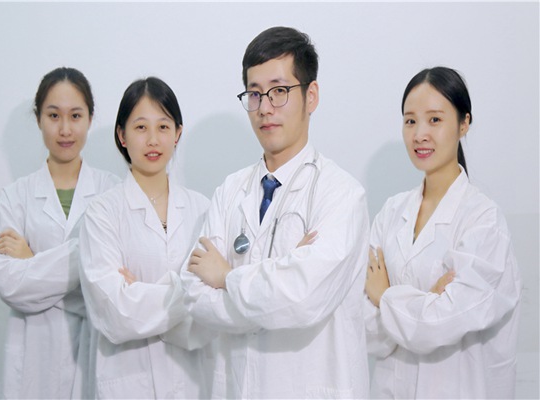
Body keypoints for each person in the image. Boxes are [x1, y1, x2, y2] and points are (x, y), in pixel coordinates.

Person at [182, 26, 370, 399]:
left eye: (279, 91)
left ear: (311, 96)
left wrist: (227, 277)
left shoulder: (342, 195)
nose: (264, 107)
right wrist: (280, 280)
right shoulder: (229, 191)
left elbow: (303, 300)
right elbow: (193, 294)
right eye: (254, 94)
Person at [364, 66, 522, 398]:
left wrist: (385, 296)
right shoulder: (391, 213)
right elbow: (362, 325)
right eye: (410, 121)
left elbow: (441, 325)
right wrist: (424, 302)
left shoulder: (483, 221)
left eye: (435, 119)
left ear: (464, 124)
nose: (420, 134)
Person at [78, 77, 213, 399]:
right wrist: (189, 292)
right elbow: (115, 315)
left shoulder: (203, 209)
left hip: (192, 379)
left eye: (163, 127)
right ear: (122, 135)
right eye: (140, 127)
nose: (153, 140)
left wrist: (139, 292)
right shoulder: (101, 213)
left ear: (178, 133)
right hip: (127, 379)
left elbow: (213, 312)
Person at [0, 67, 120, 399]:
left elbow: (114, 288)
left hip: (96, 354)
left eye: (75, 116)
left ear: (90, 119)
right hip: (34, 359)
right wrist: (85, 270)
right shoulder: (14, 198)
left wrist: (32, 261)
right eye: (53, 116)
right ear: (38, 119)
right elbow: (10, 285)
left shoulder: (113, 192)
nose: (65, 129)